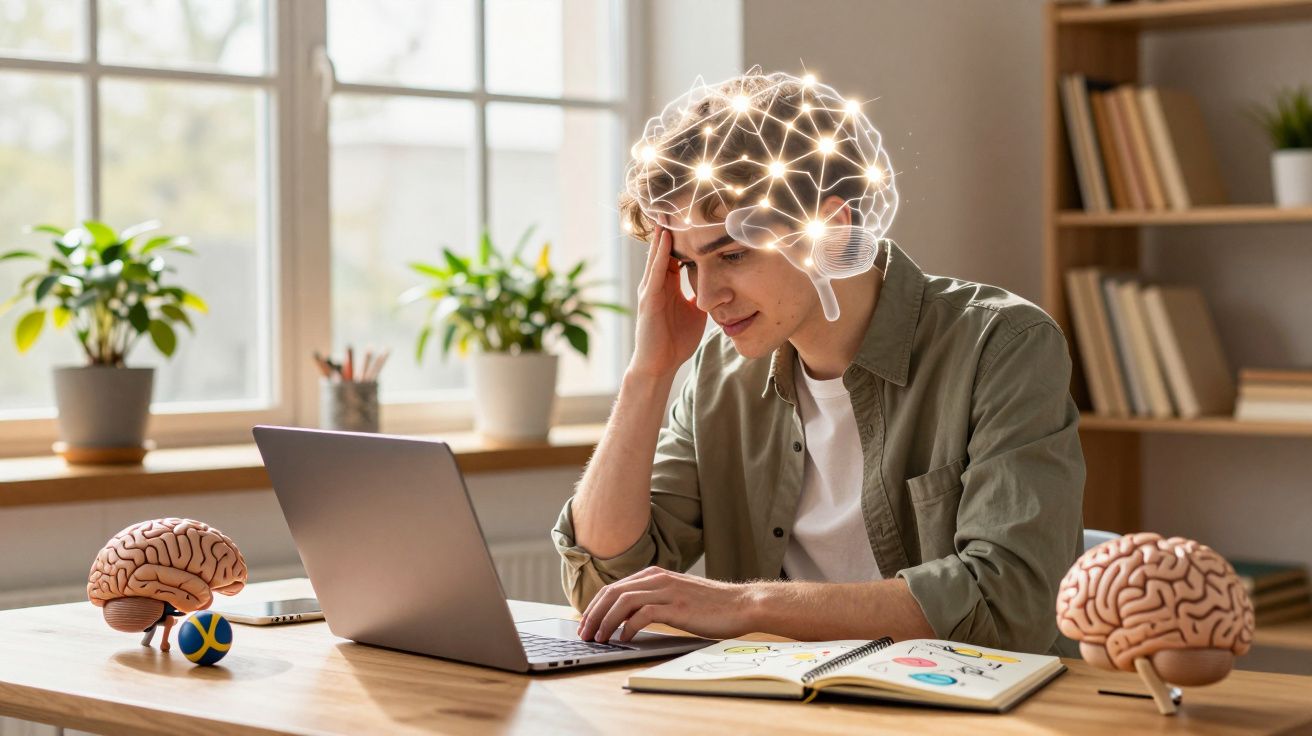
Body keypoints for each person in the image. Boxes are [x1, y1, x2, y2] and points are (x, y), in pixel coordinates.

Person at [551, 69, 1084, 656]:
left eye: (731, 254)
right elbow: (604, 582)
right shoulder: (716, 374)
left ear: (829, 227)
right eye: (686, 265)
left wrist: (743, 606)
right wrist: (647, 373)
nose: (705, 297)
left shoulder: (1001, 344)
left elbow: (1009, 604)